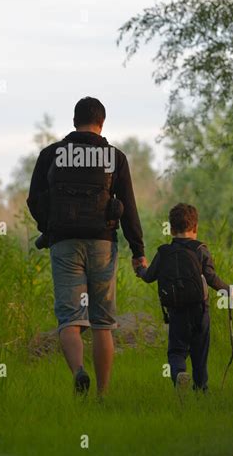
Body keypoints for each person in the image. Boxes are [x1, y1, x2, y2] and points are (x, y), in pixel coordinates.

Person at [27, 97, 146, 396]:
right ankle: (102, 395)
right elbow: (129, 207)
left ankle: (79, 371)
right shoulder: (114, 157)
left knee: (70, 319)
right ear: (102, 123)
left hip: (64, 242)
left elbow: (34, 200)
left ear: (73, 121)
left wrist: (49, 228)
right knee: (102, 323)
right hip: (102, 243)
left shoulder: (51, 154)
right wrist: (138, 251)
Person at [136, 202, 233, 394]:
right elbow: (211, 278)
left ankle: (180, 373)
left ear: (171, 229)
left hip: (177, 312)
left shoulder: (163, 253)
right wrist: (229, 291)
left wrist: (140, 269)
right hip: (200, 311)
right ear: (196, 228)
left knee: (176, 351)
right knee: (200, 353)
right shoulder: (200, 250)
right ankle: (201, 390)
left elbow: (149, 277)